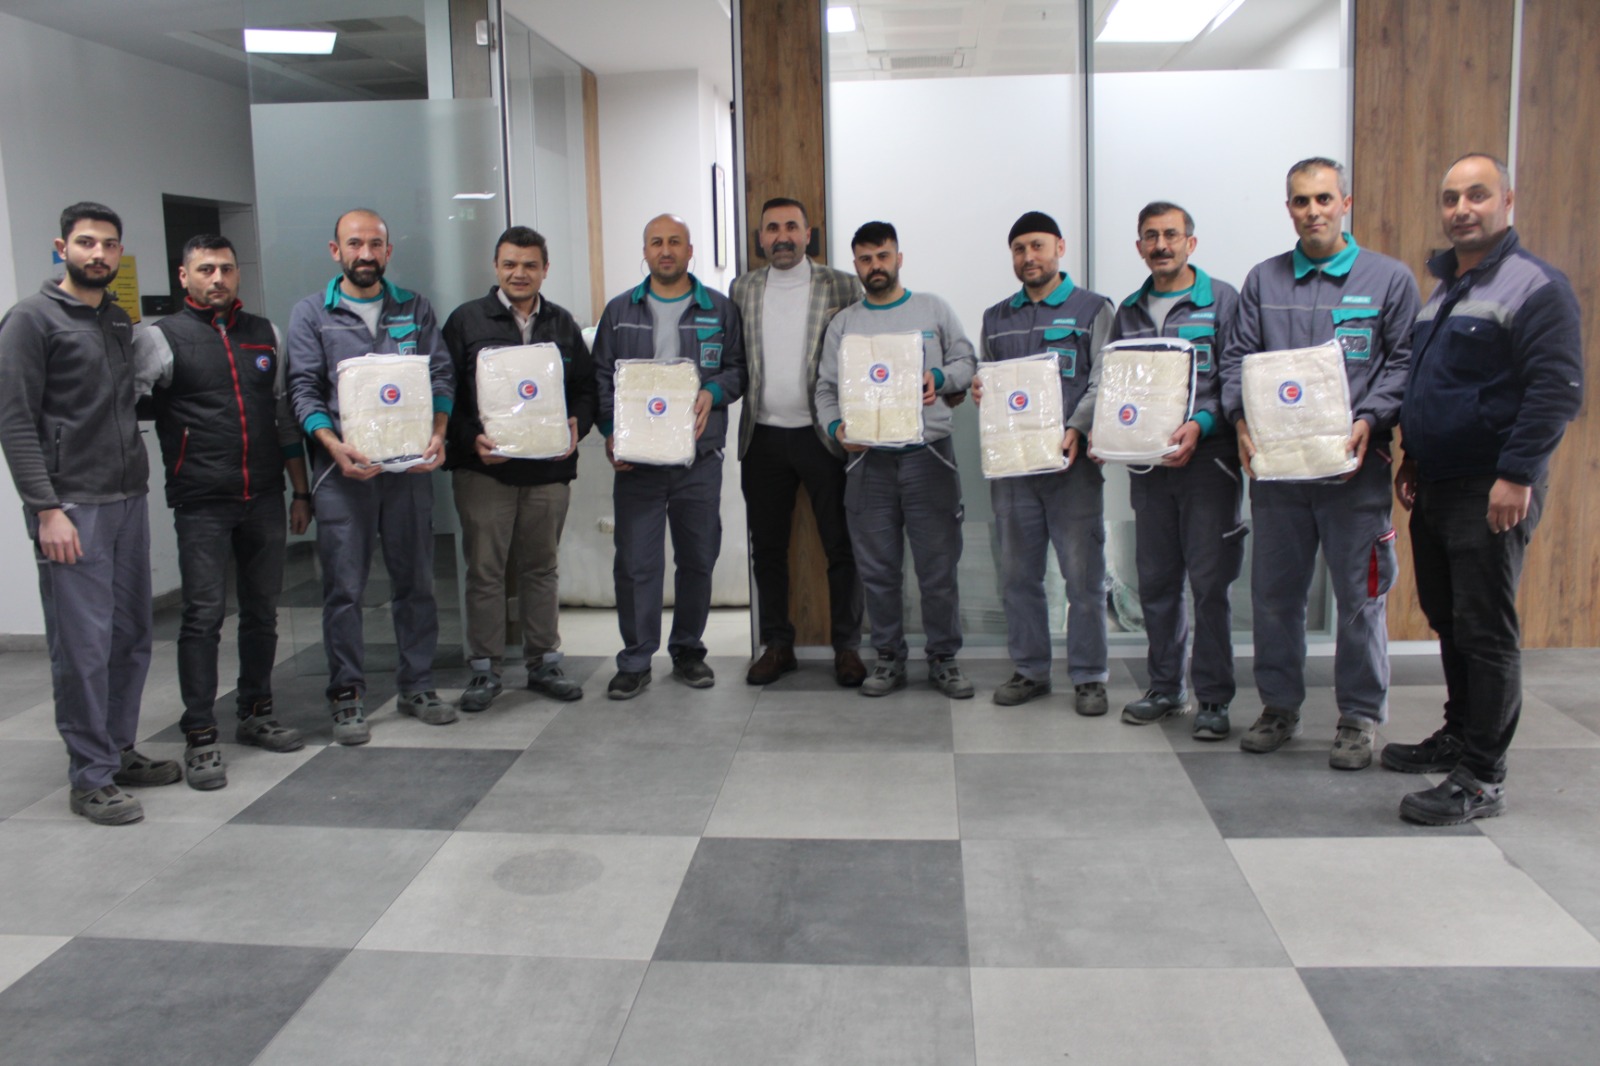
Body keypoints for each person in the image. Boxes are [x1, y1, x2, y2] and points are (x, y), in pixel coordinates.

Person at [1386, 153, 1583, 824]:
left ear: (1507, 201)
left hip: (1491, 485)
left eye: (1477, 195)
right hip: (1438, 482)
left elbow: (1556, 389)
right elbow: (1434, 385)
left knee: (1485, 628)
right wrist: (1412, 456)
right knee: (1449, 618)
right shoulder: (1446, 289)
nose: (1461, 209)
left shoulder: (1536, 286)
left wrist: (1517, 474)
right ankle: (1459, 734)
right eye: (1450, 198)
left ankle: (1482, 776)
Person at [1220, 157, 1420, 770]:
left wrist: (1370, 418)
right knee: (1275, 596)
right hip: (1279, 475)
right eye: (1301, 201)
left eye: (1324, 199)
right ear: (1289, 208)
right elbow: (1237, 359)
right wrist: (1241, 421)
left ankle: (1359, 716)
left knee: (1360, 598)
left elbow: (1405, 361)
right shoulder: (1264, 281)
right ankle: (1279, 706)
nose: (1313, 211)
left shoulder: (1388, 279)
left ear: (1345, 203)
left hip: (1352, 471)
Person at [0, 202, 173, 824]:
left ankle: (118, 749)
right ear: (62, 248)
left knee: (130, 636)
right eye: (85, 242)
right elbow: (15, 421)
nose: (98, 253)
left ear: (120, 252)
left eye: (108, 244)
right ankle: (90, 777)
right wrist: (46, 509)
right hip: (72, 507)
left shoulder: (117, 319)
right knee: (83, 646)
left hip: (127, 498)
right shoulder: (30, 320)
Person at [133, 235, 311, 790]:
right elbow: (125, 405)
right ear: (184, 276)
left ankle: (256, 712)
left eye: (227, 269)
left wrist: (300, 491)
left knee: (262, 611)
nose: (218, 278)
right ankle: (200, 734)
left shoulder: (265, 334)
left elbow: (282, 417)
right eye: (206, 269)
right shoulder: (160, 338)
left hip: (262, 496)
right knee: (203, 617)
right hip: (201, 500)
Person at [285, 208, 456, 743]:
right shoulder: (311, 314)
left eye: (375, 244)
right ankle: (347, 696)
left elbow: (441, 375)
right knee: (344, 589)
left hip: (408, 471)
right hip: (344, 474)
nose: (365, 254)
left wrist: (439, 432)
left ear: (388, 250)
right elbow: (303, 391)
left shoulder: (414, 308)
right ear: (335, 251)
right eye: (354, 244)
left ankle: (418, 686)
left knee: (416, 584)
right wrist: (331, 446)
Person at [814, 220, 976, 698]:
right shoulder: (845, 325)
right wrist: (836, 429)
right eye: (866, 259)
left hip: (929, 457)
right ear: (856, 265)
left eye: (883, 256)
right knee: (878, 571)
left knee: (938, 569)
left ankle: (944, 659)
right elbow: (825, 389)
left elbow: (967, 362)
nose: (876, 266)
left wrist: (938, 378)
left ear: (899, 258)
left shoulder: (933, 309)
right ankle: (888, 658)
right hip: (868, 463)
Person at [591, 214, 747, 699]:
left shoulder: (719, 309)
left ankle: (688, 650)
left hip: (698, 459)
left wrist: (712, 392)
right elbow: (600, 378)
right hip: (637, 463)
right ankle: (636, 659)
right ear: (645, 251)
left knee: (698, 558)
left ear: (690, 250)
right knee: (636, 563)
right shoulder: (620, 311)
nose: (666, 250)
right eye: (656, 242)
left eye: (675, 241)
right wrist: (612, 433)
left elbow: (738, 369)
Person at [443, 225, 595, 709]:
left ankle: (544, 662)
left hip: (547, 473)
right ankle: (484, 670)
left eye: (530, 265)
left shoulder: (563, 324)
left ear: (545, 269)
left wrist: (577, 425)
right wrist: (470, 439)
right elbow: (444, 394)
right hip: (485, 471)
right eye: (510, 264)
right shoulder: (466, 321)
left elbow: (587, 389)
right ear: (496, 267)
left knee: (541, 569)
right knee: (485, 572)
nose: (519, 273)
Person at [1107, 203, 1244, 739]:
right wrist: (1109, 434)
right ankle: (1165, 687)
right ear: (1139, 246)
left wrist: (1203, 424)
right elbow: (1120, 385)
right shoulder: (1129, 310)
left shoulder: (1223, 300)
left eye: (1170, 234)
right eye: (1150, 236)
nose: (1160, 244)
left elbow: (1234, 375)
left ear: (1191, 242)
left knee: (1209, 585)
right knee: (1157, 582)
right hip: (1150, 468)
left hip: (1210, 461)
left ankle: (1213, 697)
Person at [974, 211, 1113, 714]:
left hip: (1071, 468)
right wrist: (983, 391)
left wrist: (1077, 426)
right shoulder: (996, 318)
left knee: (1083, 579)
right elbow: (989, 377)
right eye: (1019, 249)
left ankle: (1090, 676)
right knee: (1018, 577)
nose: (1028, 257)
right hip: (1013, 470)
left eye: (1037, 246)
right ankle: (1031, 670)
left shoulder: (1093, 309)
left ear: (1060, 247)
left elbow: (1104, 378)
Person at [730, 197, 866, 688]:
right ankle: (777, 644)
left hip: (824, 435)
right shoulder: (742, 288)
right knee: (767, 548)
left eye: (791, 226)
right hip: (762, 436)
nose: (782, 236)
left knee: (840, 544)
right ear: (760, 238)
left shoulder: (842, 285)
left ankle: (847, 647)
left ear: (808, 234)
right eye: (772, 228)